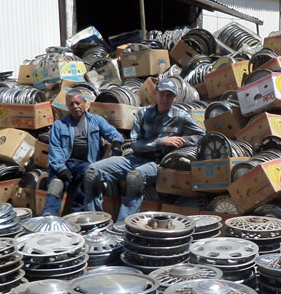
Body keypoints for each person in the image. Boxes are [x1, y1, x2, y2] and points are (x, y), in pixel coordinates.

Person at [84, 78, 204, 220]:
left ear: (175, 98)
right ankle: (94, 220)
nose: (165, 98)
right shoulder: (142, 113)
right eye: (162, 94)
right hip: (134, 158)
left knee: (134, 178)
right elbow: (135, 144)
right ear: (156, 94)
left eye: (169, 95)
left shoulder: (180, 116)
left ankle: (122, 226)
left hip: (157, 164)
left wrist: (182, 141)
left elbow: (202, 136)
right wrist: (162, 141)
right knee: (92, 171)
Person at [43, 90, 125, 216]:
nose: (75, 106)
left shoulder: (96, 120)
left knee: (86, 178)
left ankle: (77, 215)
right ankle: (49, 214)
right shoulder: (59, 124)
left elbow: (113, 133)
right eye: (71, 104)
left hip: (86, 162)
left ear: (85, 103)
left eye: (78, 103)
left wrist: (117, 142)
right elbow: (55, 149)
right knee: (55, 182)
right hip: (65, 162)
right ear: (67, 106)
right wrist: (61, 168)